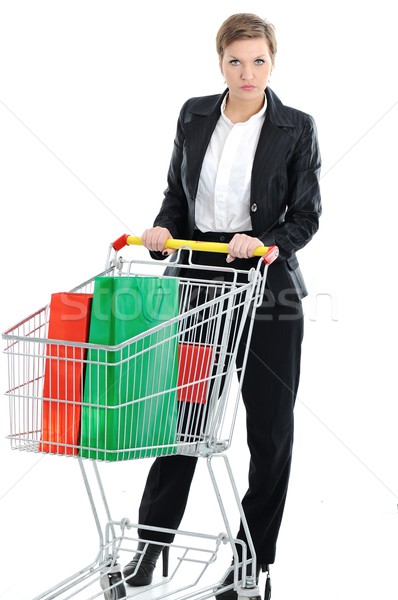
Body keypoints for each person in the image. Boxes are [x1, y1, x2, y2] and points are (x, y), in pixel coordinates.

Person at [123, 12, 321, 599]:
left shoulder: (296, 127)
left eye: (258, 60)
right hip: (197, 279)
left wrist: (266, 243)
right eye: (235, 60)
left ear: (273, 62)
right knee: (181, 422)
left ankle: (251, 563)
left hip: (266, 285)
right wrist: (163, 228)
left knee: (269, 429)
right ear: (220, 63)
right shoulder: (193, 114)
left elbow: (306, 216)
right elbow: (174, 197)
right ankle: (152, 545)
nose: (247, 72)